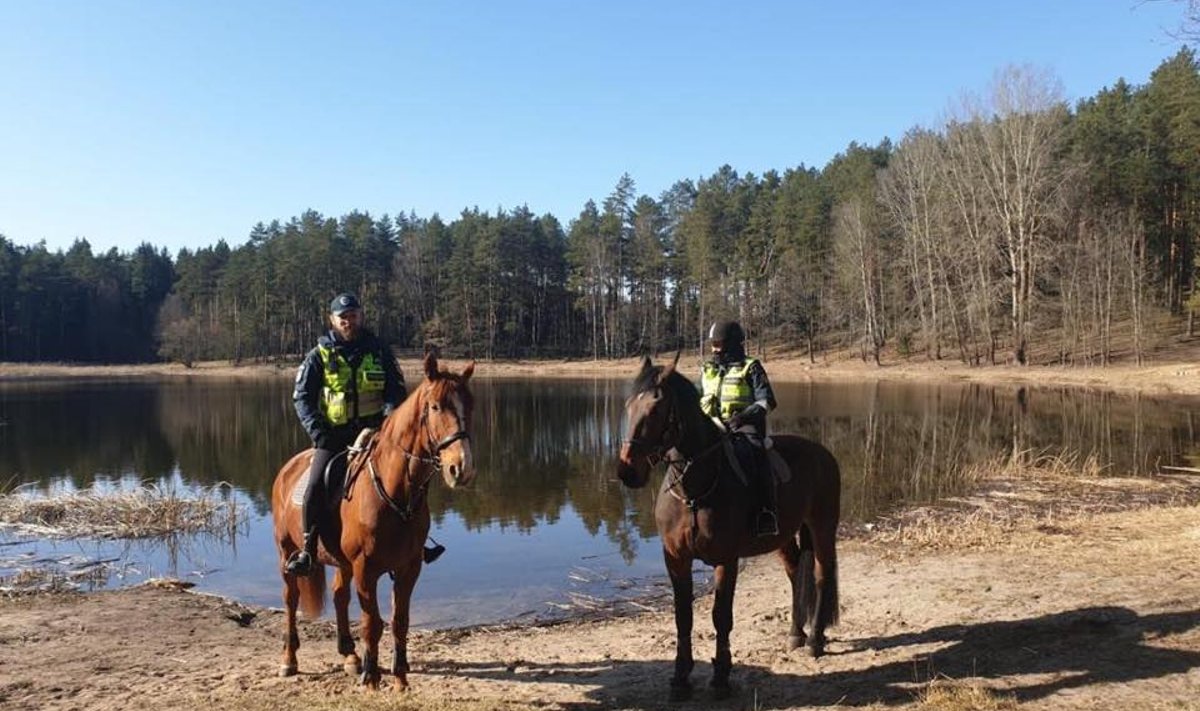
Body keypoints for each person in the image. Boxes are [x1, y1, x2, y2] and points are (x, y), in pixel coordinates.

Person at [286, 292, 442, 575]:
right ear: (332, 320)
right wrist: (318, 430)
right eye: (343, 317)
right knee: (316, 486)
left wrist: (388, 420)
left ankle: (416, 543)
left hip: (376, 435)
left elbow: (396, 392)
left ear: (361, 317)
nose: (348, 321)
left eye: (353, 316)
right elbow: (302, 398)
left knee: (411, 478)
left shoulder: (380, 350)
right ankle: (308, 549)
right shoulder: (318, 356)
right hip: (332, 436)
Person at [699, 320, 779, 536]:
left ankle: (765, 513)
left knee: (755, 454)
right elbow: (701, 399)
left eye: (718, 344)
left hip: (744, 428)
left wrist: (743, 417)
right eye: (712, 344)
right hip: (713, 426)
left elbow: (767, 401)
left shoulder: (751, 366)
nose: (714, 349)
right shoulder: (708, 369)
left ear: (732, 344)